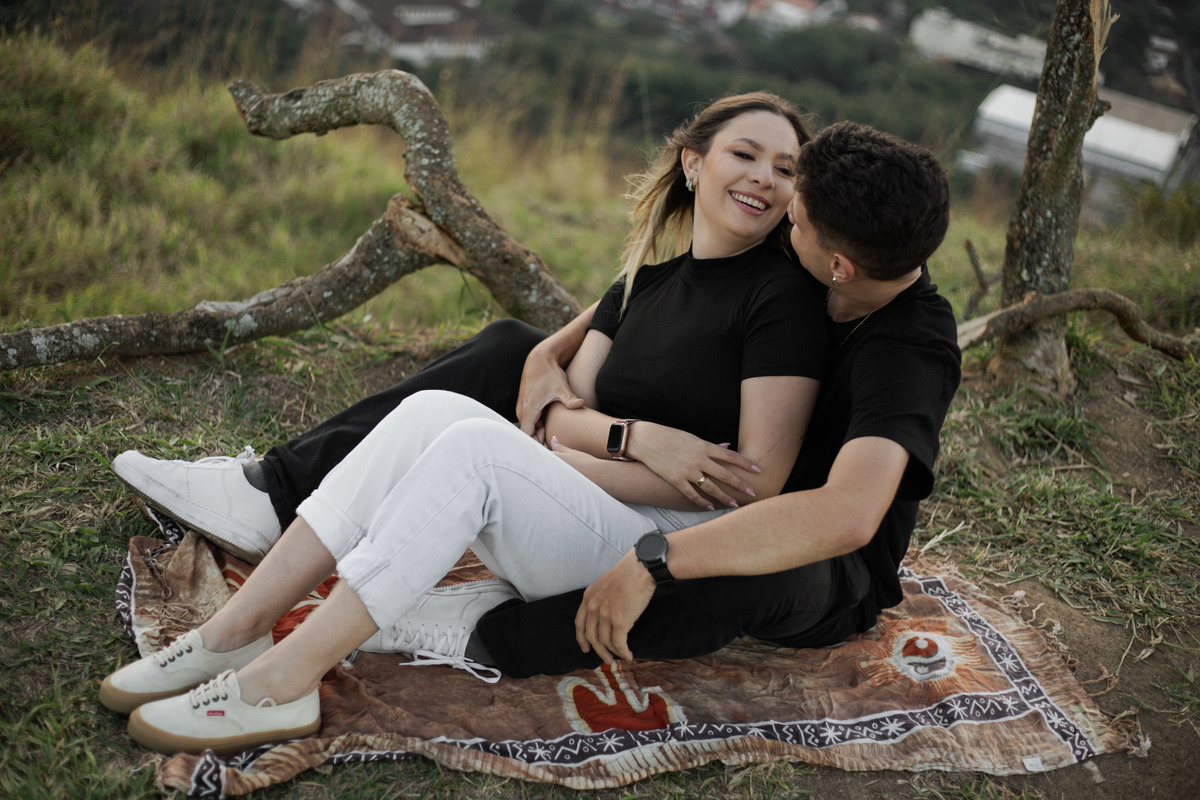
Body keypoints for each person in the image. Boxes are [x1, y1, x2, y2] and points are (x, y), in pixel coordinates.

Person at [101, 92, 834, 756]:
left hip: (663, 550)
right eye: (746, 155)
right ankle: (236, 631)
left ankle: (285, 679)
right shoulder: (646, 281)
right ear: (693, 164)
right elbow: (563, 419)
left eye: (785, 169)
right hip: (590, 505)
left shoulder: (781, 299)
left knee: (478, 448)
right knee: (434, 411)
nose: (764, 178)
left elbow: (752, 486)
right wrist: (637, 441)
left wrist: (574, 459)